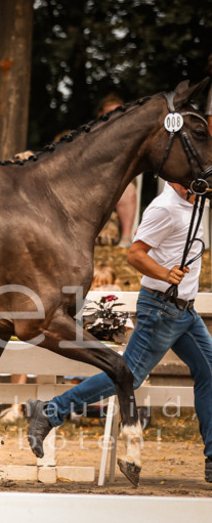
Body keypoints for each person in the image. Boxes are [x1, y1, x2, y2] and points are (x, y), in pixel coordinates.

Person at [28, 182, 212, 484]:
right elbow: (135, 255)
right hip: (161, 310)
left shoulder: (194, 200)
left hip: (185, 312)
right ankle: (51, 411)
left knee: (209, 372)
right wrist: (165, 274)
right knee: (129, 376)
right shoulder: (164, 208)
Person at [97, 94, 138, 247]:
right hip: (91, 183)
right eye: (109, 112)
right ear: (100, 114)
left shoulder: (128, 138)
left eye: (118, 112)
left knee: (128, 189)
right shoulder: (91, 135)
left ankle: (126, 239)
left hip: (117, 184)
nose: (113, 116)